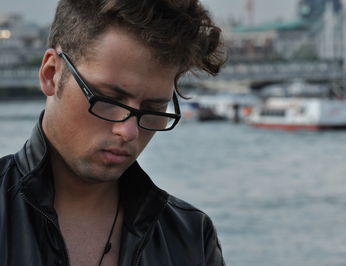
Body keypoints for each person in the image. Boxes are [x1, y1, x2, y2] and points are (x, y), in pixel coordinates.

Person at [0, 0, 226, 265]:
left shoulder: (192, 238)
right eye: (108, 99)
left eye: (152, 108)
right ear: (51, 74)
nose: (128, 131)